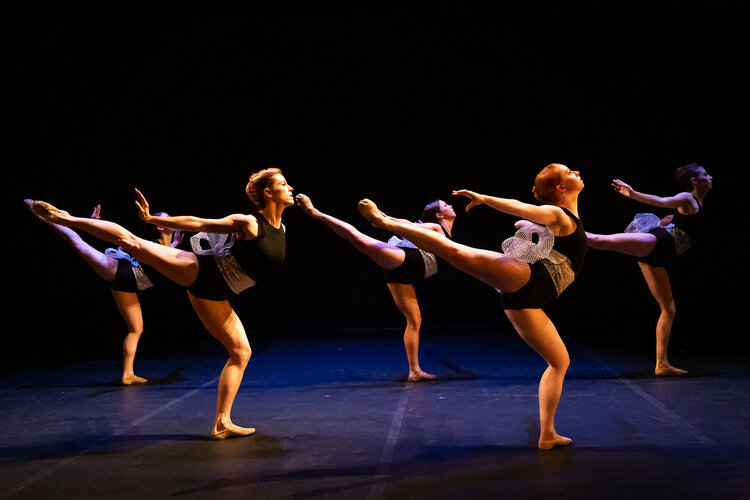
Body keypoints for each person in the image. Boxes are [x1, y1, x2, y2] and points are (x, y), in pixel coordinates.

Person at [26, 167, 295, 440]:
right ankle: (65, 218)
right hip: (204, 273)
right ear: (268, 192)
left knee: (241, 353)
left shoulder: (280, 227)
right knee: (132, 243)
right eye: (284, 184)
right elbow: (198, 223)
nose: (290, 188)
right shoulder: (250, 223)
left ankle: (222, 423)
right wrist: (152, 218)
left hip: (218, 294)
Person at [357, 163, 587, 450]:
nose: (576, 172)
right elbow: (517, 206)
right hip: (531, 278)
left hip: (529, 299)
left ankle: (547, 434)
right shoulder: (558, 213)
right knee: (457, 253)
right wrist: (485, 198)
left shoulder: (562, 218)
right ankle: (386, 223)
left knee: (560, 362)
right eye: (569, 172)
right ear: (560, 188)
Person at [295, 194, 456, 381]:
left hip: (406, 272)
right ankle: (315, 212)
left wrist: (383, 217)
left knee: (415, 319)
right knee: (358, 239)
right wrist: (382, 218)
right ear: (439, 215)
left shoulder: (441, 230)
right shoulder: (435, 227)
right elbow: (408, 226)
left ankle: (414, 371)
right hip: (409, 260)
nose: (450, 205)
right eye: (445, 205)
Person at [25, 202, 182, 385]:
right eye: (168, 219)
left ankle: (128, 374)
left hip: (128, 286)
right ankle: (47, 217)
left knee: (136, 328)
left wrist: (175, 243)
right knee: (79, 245)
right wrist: (94, 225)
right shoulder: (151, 245)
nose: (173, 220)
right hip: (121, 272)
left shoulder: (169, 248)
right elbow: (121, 237)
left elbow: (168, 255)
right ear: (160, 226)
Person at [585, 163, 712, 376]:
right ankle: (552, 227)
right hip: (660, 244)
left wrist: (669, 221)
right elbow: (662, 201)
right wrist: (633, 194)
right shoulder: (687, 197)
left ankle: (662, 364)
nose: (710, 177)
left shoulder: (695, 203)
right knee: (599, 240)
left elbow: (675, 220)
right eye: (705, 174)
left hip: (661, 256)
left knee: (669, 309)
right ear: (694, 181)